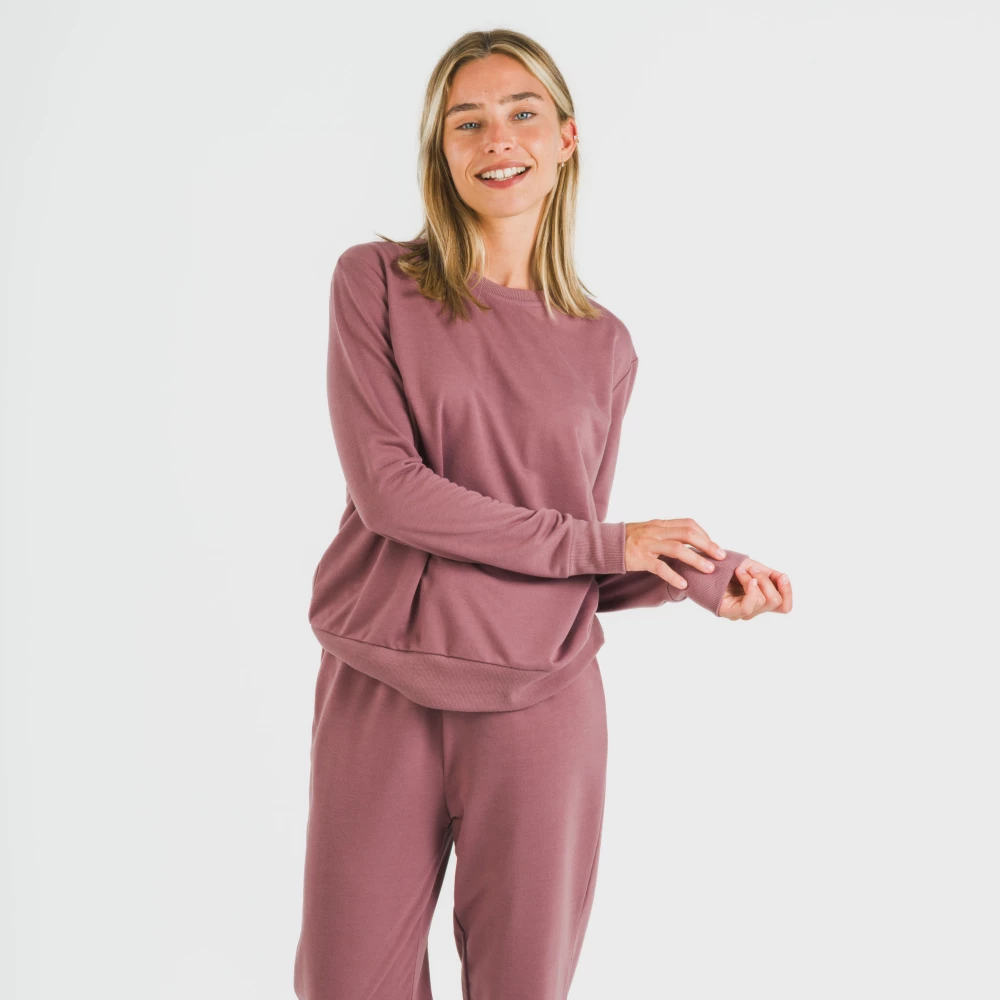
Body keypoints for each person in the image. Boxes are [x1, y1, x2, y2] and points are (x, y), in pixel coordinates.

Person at [293, 27, 792, 1000]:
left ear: (565, 137)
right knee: (346, 984)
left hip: (542, 705)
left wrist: (702, 572)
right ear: (440, 149)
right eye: (467, 122)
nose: (497, 139)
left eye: (522, 113)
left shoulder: (605, 345)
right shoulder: (376, 282)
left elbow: (565, 552)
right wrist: (610, 541)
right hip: (381, 683)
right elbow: (390, 490)